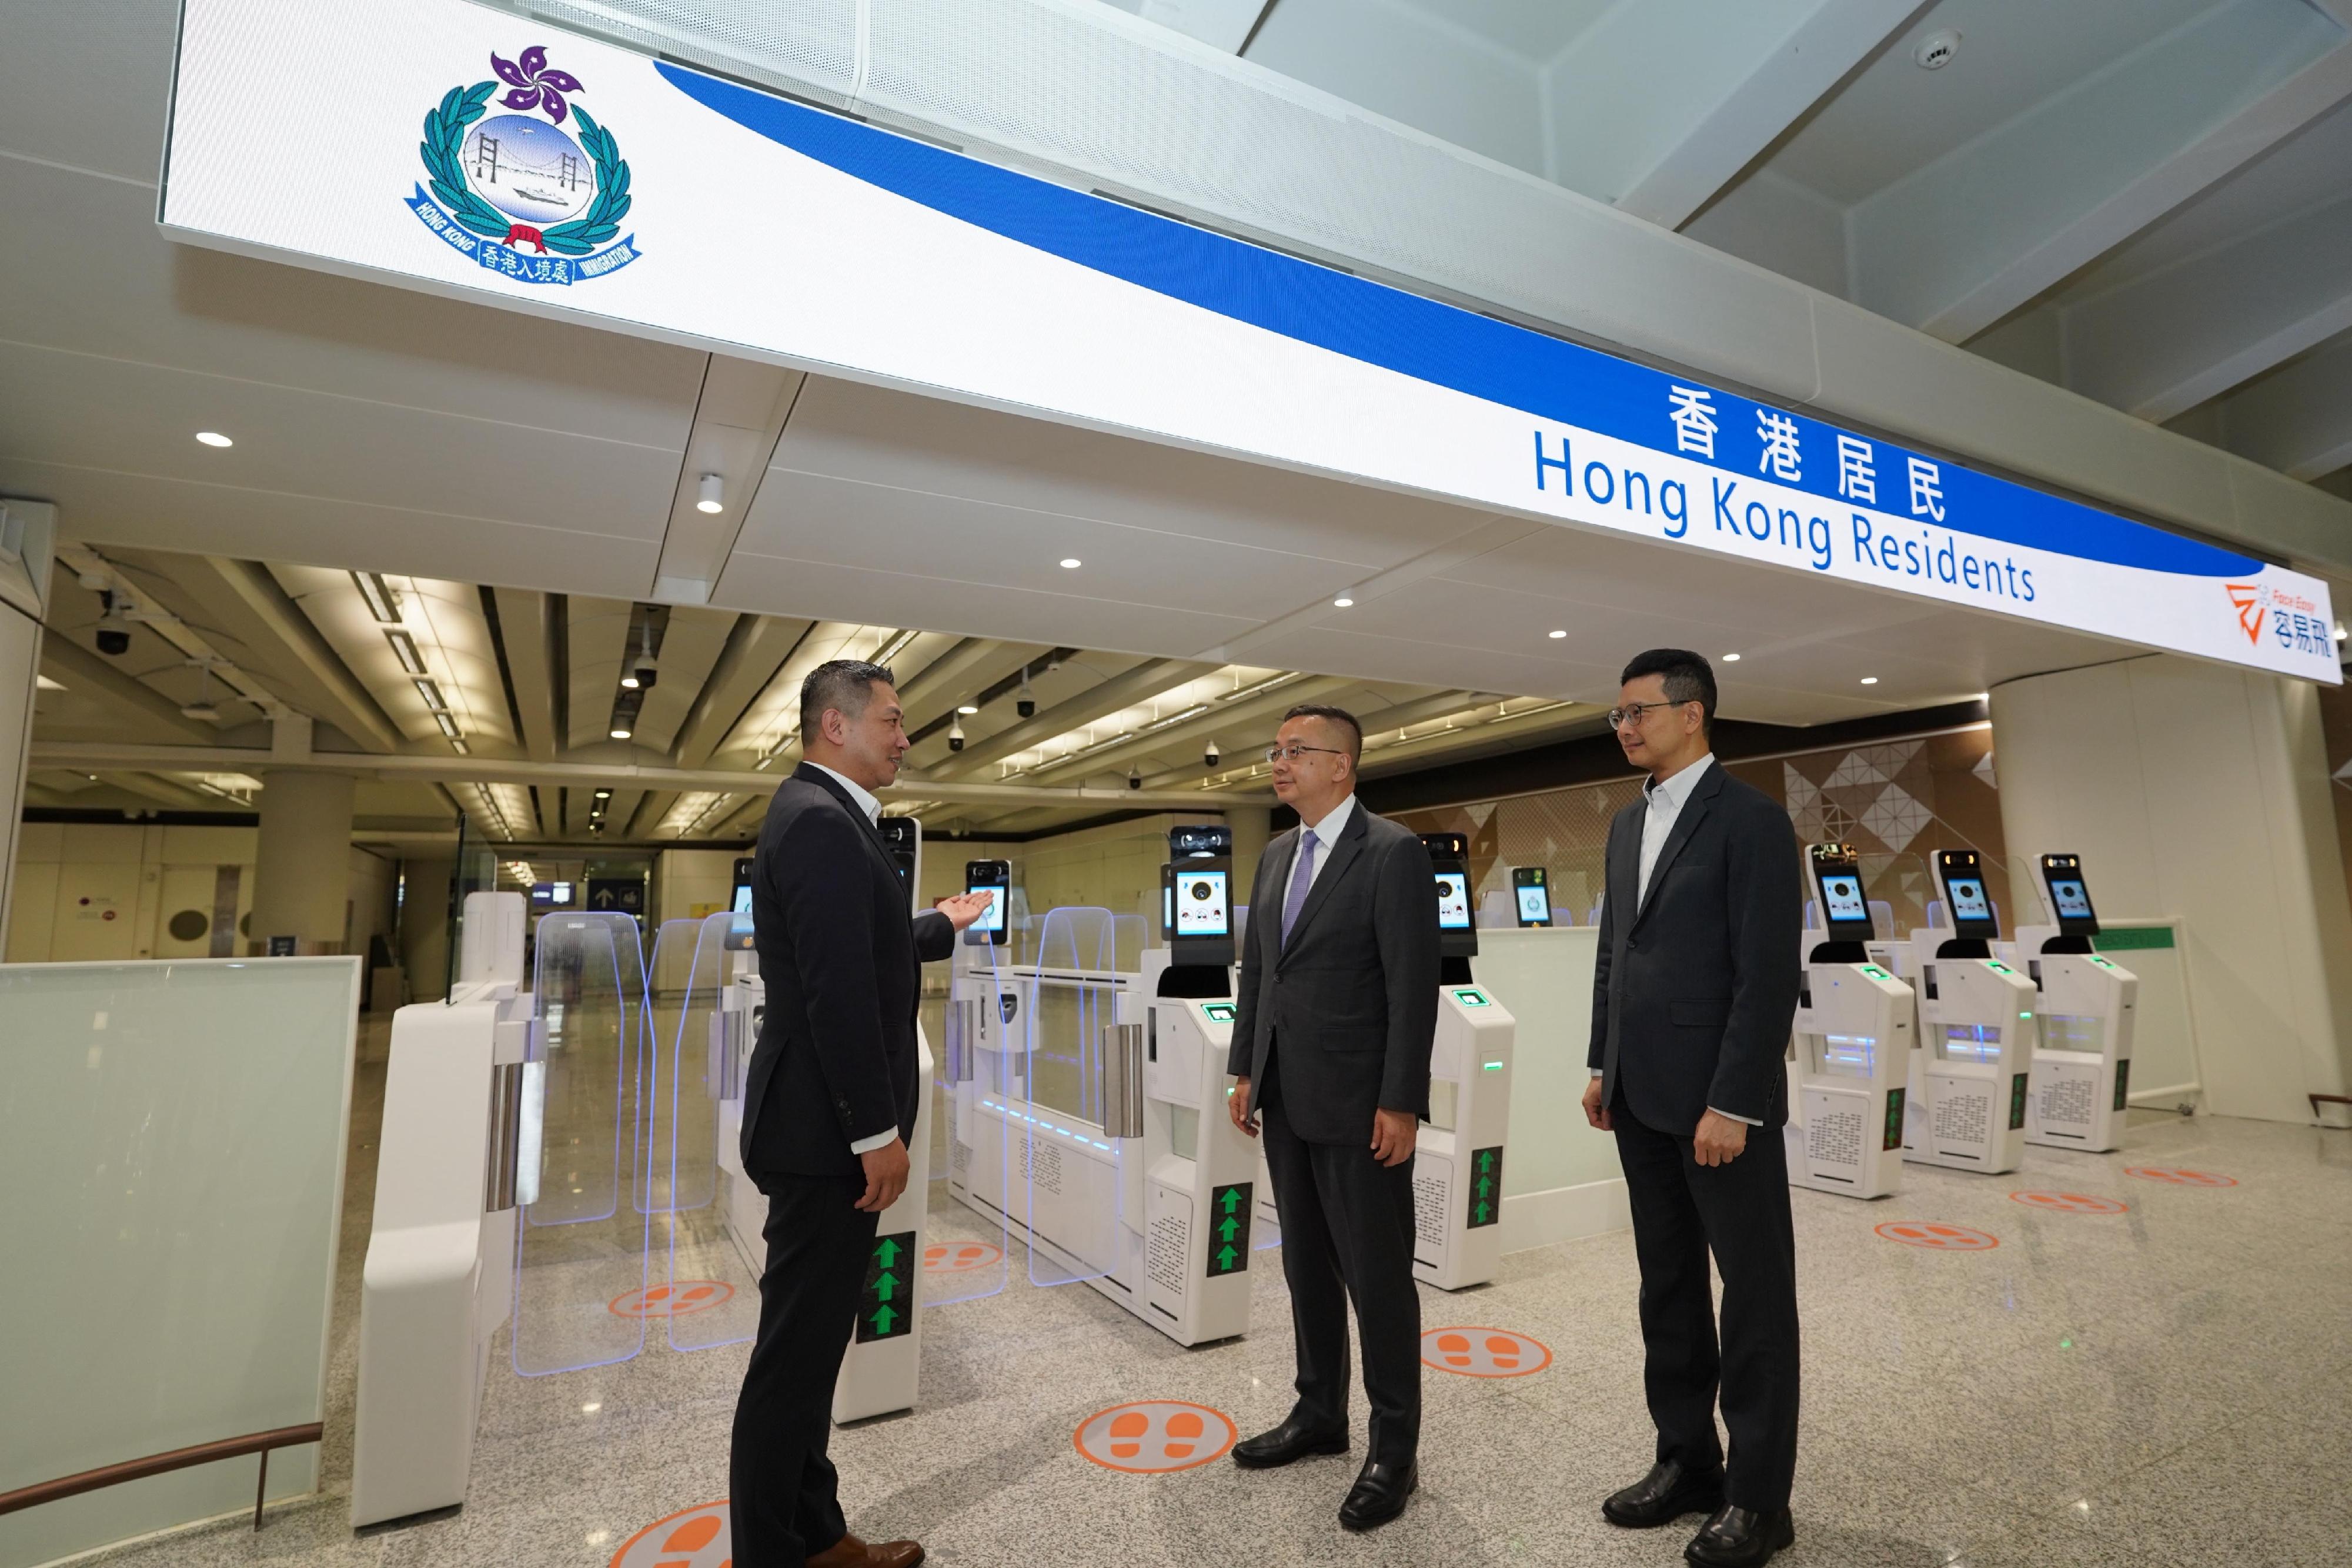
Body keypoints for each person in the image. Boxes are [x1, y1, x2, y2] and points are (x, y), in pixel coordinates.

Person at [730, 659, 995, 1568]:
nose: (906, 736)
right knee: (792, 1365)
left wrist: (940, 926)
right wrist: (875, 1135)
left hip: (813, 1127)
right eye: (891, 719)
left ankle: (815, 1535)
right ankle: (775, 1551)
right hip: (823, 1139)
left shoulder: (826, 819)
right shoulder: (822, 826)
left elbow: (858, 949)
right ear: (835, 727)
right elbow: (840, 995)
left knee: (807, 1360)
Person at [1583, 650, 1803, 1568]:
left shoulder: (1750, 821)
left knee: (1752, 1299)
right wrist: (1603, 1060)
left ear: (1693, 714)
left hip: (1720, 1108)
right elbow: (1615, 953)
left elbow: (1766, 977)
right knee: (1666, 1289)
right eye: (1619, 714)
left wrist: (1735, 1100)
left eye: (1639, 711)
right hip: (1640, 1095)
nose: (1626, 726)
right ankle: (1687, 1460)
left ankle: (1760, 1499)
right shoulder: (1629, 825)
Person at [1224, 703, 1439, 1532]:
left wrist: (1401, 1100)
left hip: (1361, 1105)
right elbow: (1262, 974)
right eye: (1274, 751)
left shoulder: (1391, 855)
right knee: (1307, 1267)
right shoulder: (1279, 854)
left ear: (1341, 765)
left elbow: (1411, 989)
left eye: (1295, 752)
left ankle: (1396, 1448)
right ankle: (1320, 1412)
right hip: (1286, 1094)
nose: (1278, 764)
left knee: (1377, 1279)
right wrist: (1246, 1064)